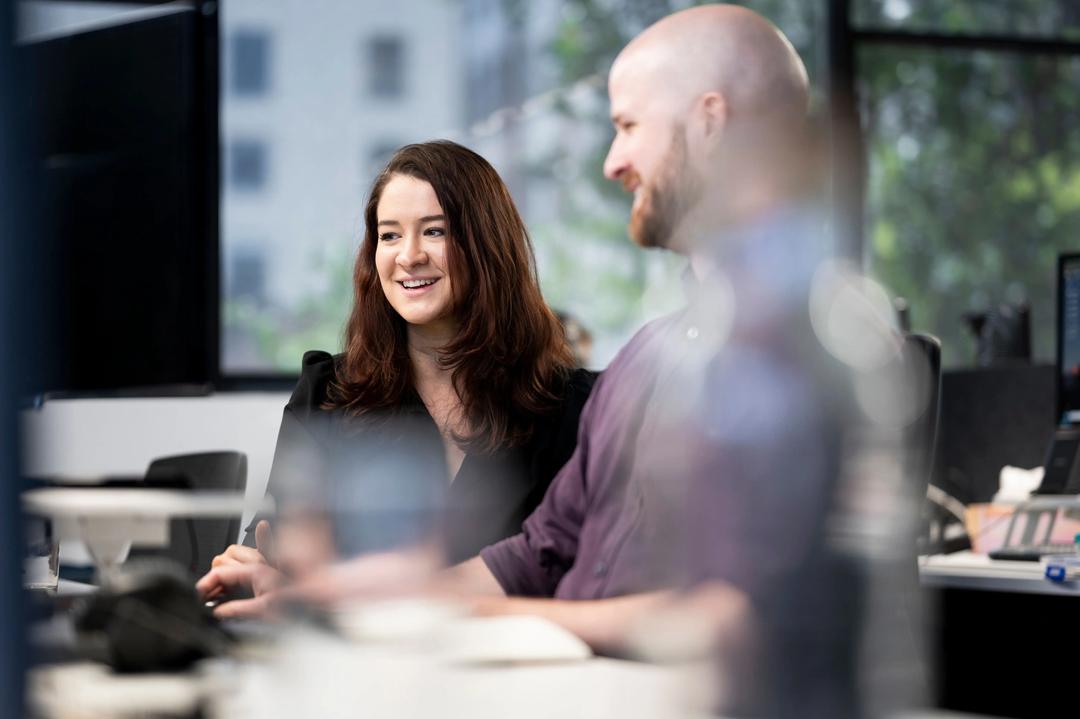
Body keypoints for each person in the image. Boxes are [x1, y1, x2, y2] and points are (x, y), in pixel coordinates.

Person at [201, 7, 914, 716]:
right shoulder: (644, 364)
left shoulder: (818, 341)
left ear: (709, 123)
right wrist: (331, 599)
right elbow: (532, 555)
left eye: (629, 126)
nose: (611, 161)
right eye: (389, 235)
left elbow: (737, 620)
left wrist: (419, 620)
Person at [203, 140, 595, 592]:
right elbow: (274, 545)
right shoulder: (329, 392)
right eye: (389, 235)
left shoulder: (572, 406)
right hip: (361, 657)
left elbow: (587, 569)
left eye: (435, 231)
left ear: (487, 243)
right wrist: (256, 568)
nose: (408, 255)